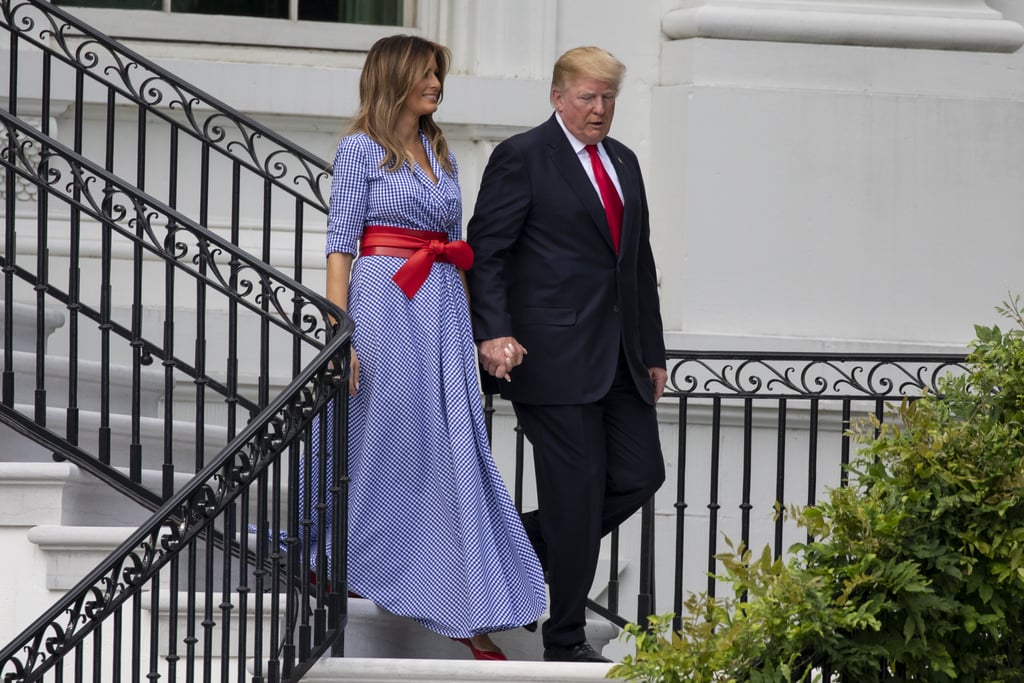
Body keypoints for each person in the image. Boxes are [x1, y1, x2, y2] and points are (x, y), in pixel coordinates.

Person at [322, 34, 546, 661]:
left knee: (451, 450)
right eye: (425, 73)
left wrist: (476, 332)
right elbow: (342, 246)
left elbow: (458, 243)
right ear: (394, 76)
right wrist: (342, 336)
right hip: (385, 299)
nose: (436, 84)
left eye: (439, 75)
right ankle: (353, 564)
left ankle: (466, 603)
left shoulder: (440, 151)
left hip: (442, 303)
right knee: (386, 447)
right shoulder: (360, 148)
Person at [465, 45, 668, 663]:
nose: (599, 109)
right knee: (576, 499)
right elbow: (488, 251)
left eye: (608, 97)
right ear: (558, 97)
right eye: (587, 96)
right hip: (550, 359)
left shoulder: (625, 161)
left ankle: (510, 551)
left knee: (640, 475)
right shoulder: (522, 157)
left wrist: (653, 351)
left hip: (622, 361)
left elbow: (636, 263)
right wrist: (492, 332)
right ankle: (565, 638)